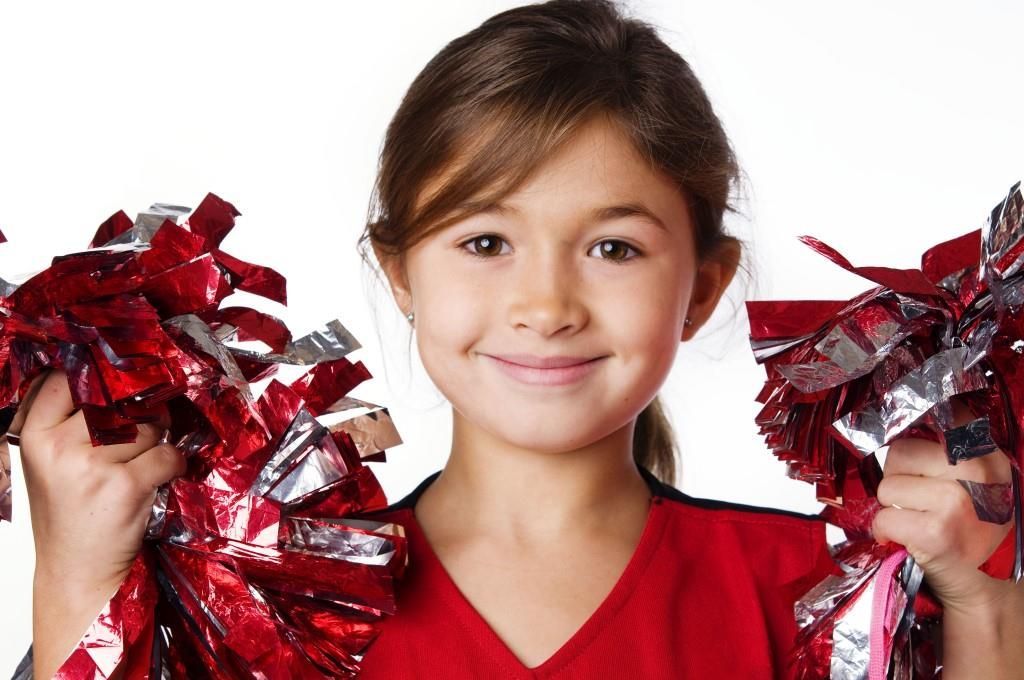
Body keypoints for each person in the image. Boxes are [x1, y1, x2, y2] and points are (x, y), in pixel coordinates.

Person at [11, 1, 1023, 678]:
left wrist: (981, 608)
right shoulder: (275, 597)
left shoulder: (814, 590)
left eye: (614, 247)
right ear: (401, 271)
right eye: (486, 239)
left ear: (703, 288)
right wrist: (73, 573)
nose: (545, 303)